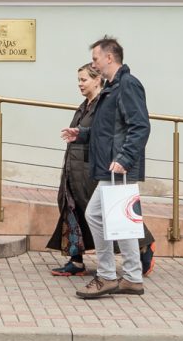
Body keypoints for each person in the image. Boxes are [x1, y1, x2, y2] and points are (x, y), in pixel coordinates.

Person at [79, 36, 151, 300]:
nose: (94, 64)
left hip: (118, 167)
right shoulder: (113, 87)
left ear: (109, 57)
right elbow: (109, 129)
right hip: (113, 166)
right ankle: (131, 277)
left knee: (97, 215)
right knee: (121, 220)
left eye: (96, 58)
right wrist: (82, 134)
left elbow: (140, 126)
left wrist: (125, 158)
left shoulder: (127, 84)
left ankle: (108, 275)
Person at [47, 62, 105, 277]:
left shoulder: (103, 105)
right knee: (71, 209)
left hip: (91, 170)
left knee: (103, 213)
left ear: (97, 80)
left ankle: (144, 247)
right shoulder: (84, 105)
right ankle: (76, 260)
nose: (80, 84)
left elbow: (103, 135)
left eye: (84, 80)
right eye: (78, 80)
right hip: (74, 168)